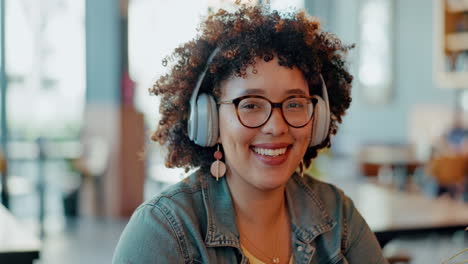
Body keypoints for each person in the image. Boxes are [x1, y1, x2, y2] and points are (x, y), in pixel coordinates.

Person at [113, 4, 386, 264]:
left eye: (294, 104)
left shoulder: (338, 215)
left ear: (319, 117)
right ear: (209, 119)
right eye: (251, 105)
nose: (276, 127)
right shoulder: (163, 230)